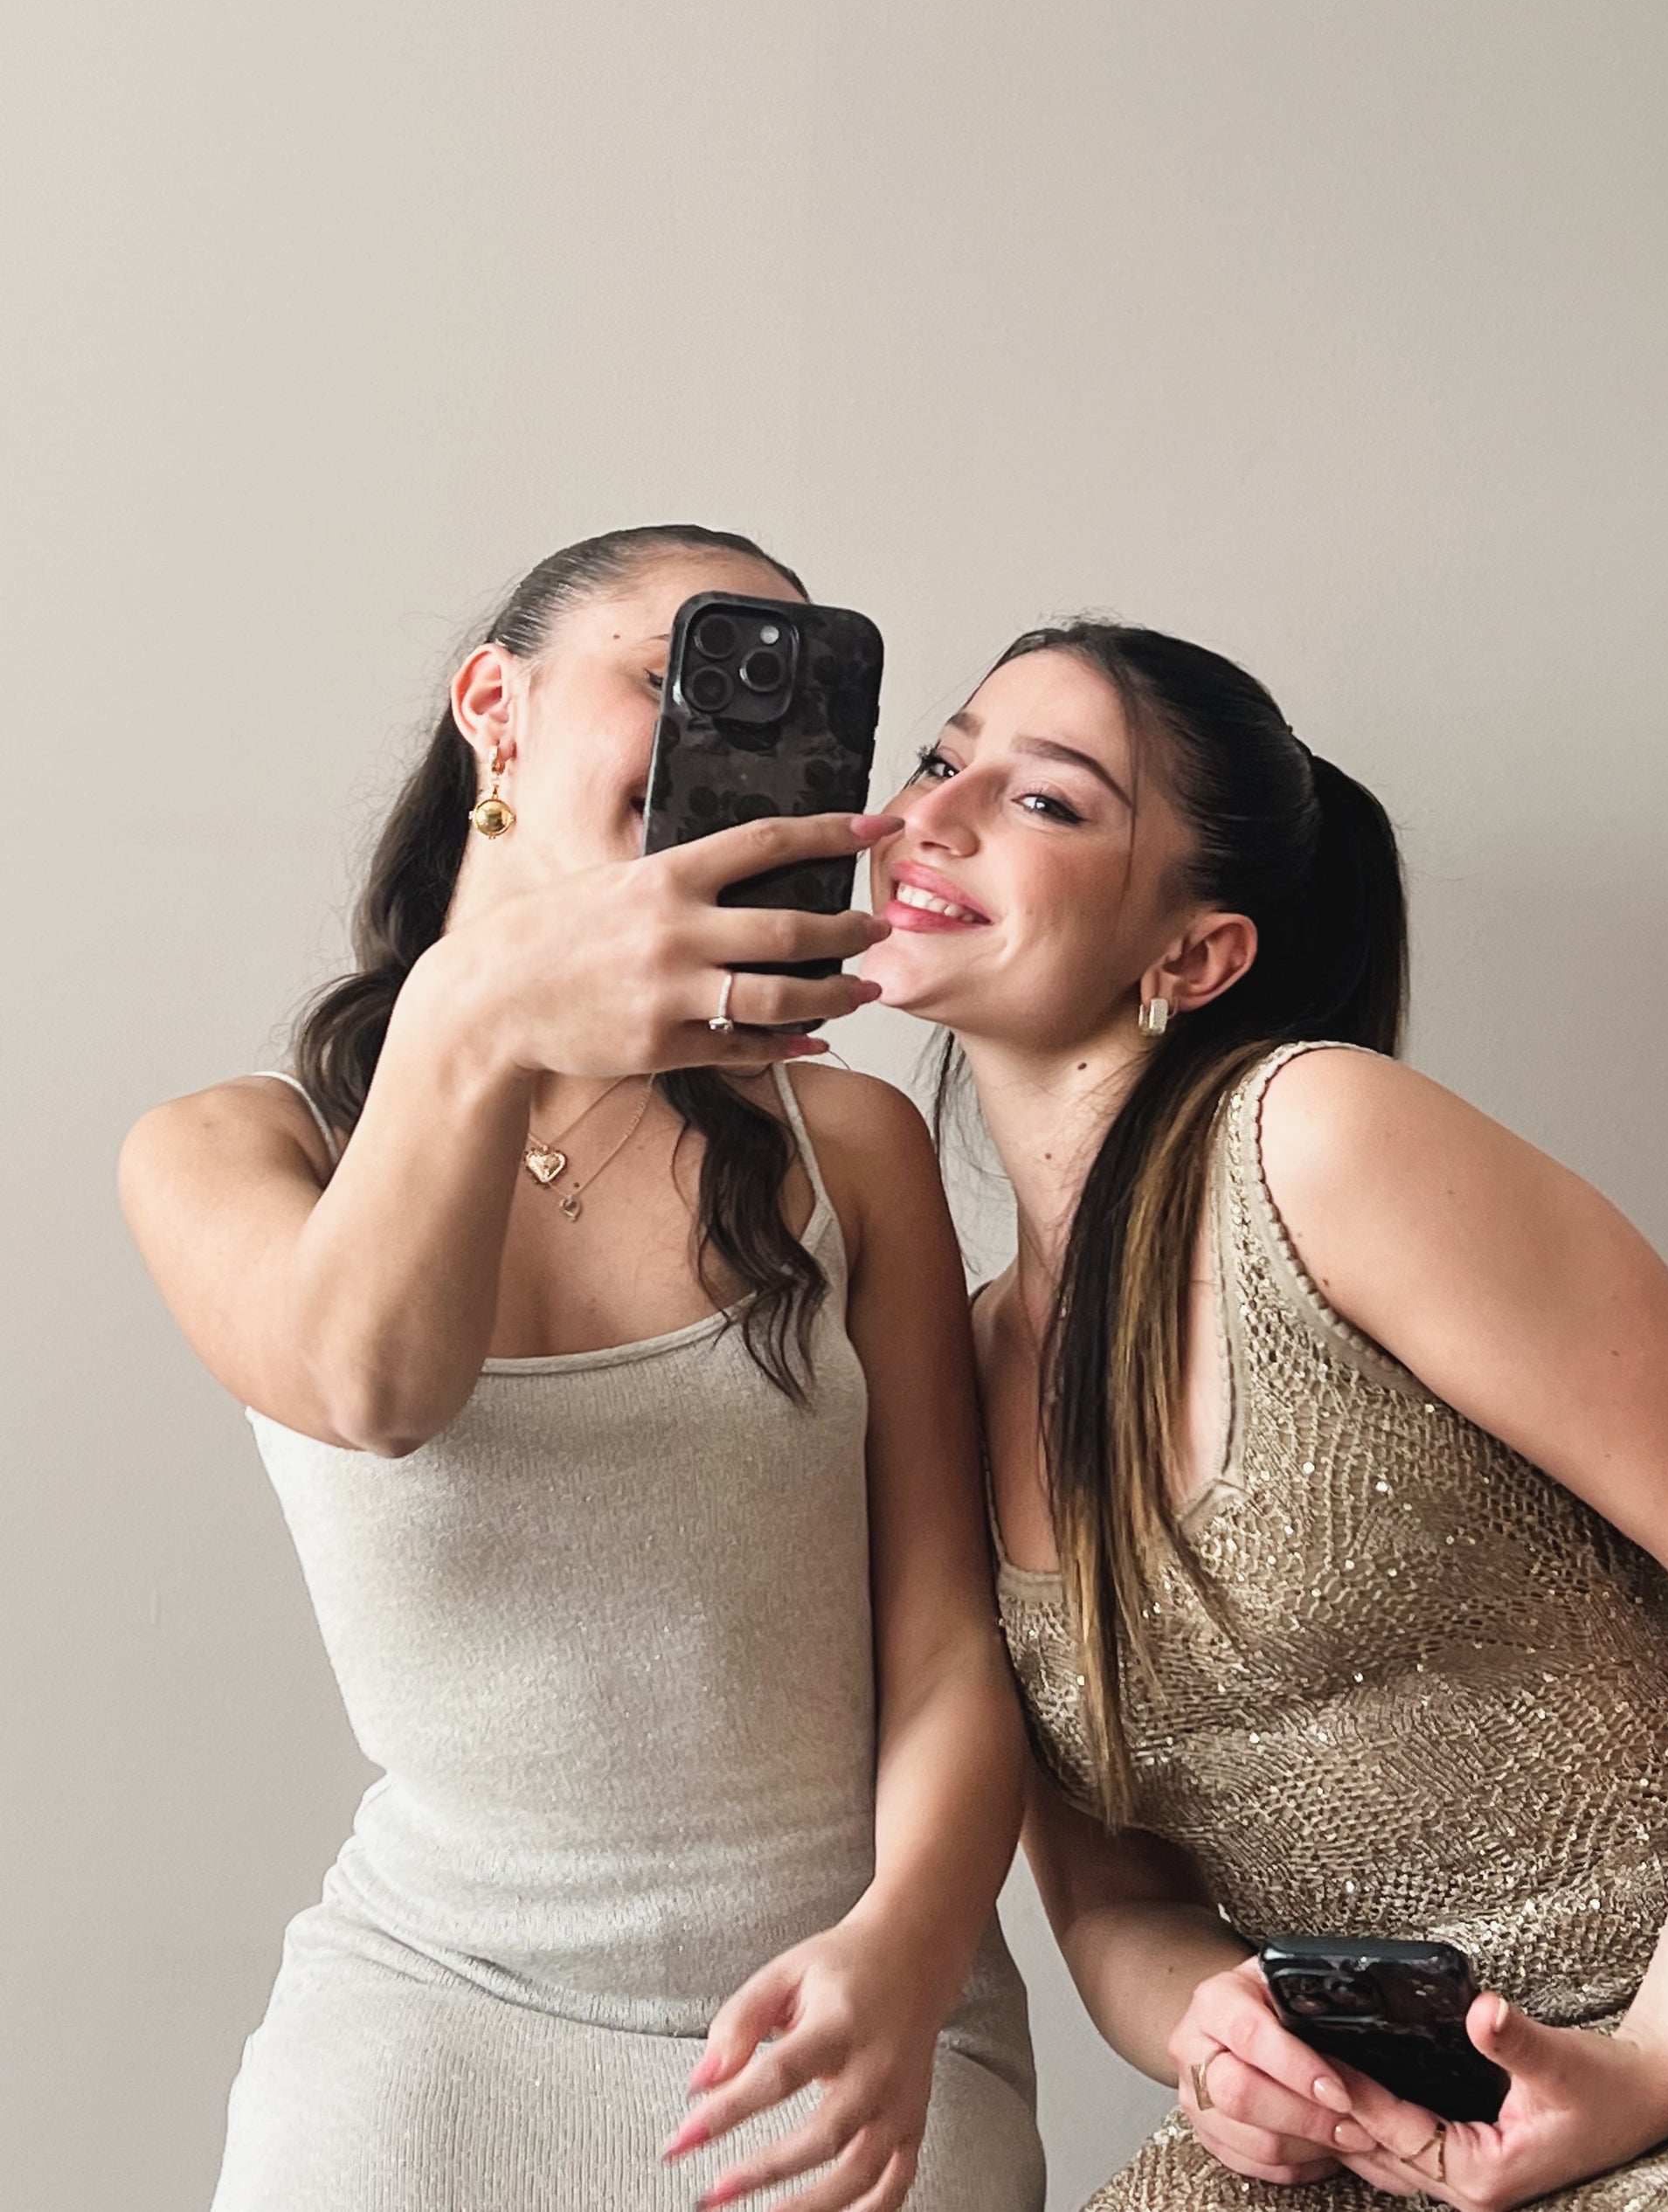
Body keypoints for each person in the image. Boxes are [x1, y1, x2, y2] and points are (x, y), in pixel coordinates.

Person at [117, 525, 1044, 2212]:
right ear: (498, 708)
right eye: (683, 675)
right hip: (431, 2023)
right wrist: (479, 1014)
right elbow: (371, 1387)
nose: (734, 754)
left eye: (788, 713)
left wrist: (908, 1956)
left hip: (847, 2013)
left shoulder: (852, 1143)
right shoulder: (226, 1150)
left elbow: (944, 1650)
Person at [857, 618, 1668, 2209]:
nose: (936, 809)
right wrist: (1223, 2042)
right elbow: (1112, 1898)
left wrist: (1659, 2067)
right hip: (1388, 2139)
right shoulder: (960, 1353)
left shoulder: (1314, 1143)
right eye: (940, 758)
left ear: (1194, 957)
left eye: (1048, 799)